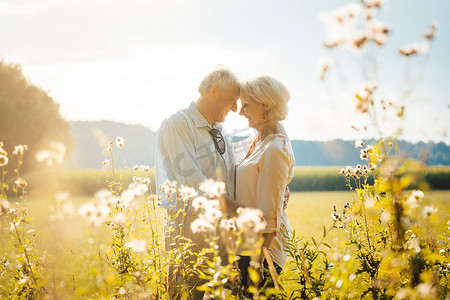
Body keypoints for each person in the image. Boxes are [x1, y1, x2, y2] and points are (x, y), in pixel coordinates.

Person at [155, 66, 241, 300]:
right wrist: (240, 211)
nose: (236, 107)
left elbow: (236, 172)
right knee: (187, 295)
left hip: (221, 230)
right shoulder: (178, 125)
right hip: (188, 228)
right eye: (232, 100)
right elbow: (193, 184)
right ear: (214, 90)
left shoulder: (220, 131)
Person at [235, 75, 295, 296]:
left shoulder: (275, 150)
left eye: (246, 105)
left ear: (265, 106)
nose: (240, 112)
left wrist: (257, 261)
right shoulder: (260, 139)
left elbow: (270, 215)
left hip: (261, 252)